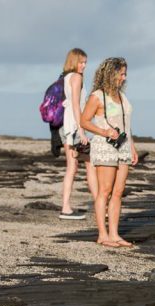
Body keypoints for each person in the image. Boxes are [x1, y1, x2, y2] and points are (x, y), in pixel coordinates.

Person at [79, 57, 138, 248]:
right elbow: (84, 121)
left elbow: (127, 126)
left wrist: (133, 147)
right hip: (105, 146)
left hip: (123, 147)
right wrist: (104, 132)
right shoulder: (97, 96)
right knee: (105, 191)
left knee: (119, 192)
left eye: (125, 74)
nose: (124, 77)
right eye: (121, 73)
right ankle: (102, 235)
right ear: (111, 73)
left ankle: (114, 234)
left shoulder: (122, 96)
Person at [59, 48, 98, 219]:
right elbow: (76, 105)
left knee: (76, 167)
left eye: (85, 63)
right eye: (81, 62)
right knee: (81, 166)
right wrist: (82, 130)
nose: (84, 66)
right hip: (74, 128)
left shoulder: (66, 77)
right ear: (74, 61)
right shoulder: (76, 77)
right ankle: (97, 204)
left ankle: (69, 207)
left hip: (69, 126)